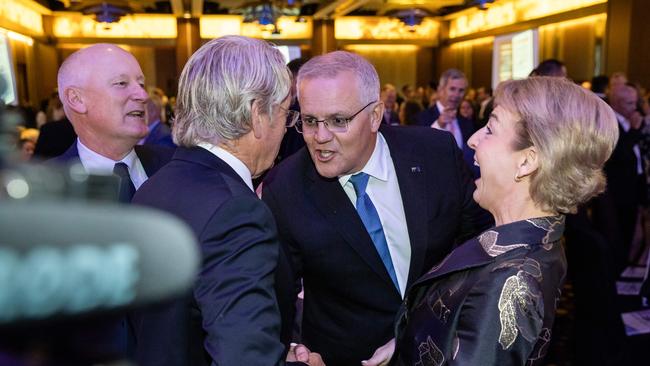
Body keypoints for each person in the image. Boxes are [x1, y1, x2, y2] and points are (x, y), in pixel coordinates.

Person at [364, 76, 619, 366]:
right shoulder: (523, 241)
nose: (472, 140)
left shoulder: (510, 281)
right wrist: (409, 343)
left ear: (527, 161)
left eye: (490, 129)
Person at [262, 51, 490, 366]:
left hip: (443, 349)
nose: (320, 137)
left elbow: (481, 252)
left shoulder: (435, 153)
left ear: (375, 115)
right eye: (310, 121)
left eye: (338, 121)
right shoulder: (285, 187)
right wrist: (289, 353)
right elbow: (276, 296)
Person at [129, 36, 322, 366]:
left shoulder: (156, 185)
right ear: (256, 114)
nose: (286, 128)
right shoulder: (236, 211)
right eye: (286, 113)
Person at [415, 69, 478, 177]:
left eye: (461, 90)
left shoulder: (467, 122)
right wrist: (439, 125)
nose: (456, 94)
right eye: (452, 89)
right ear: (440, 90)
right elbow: (418, 149)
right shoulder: (422, 118)